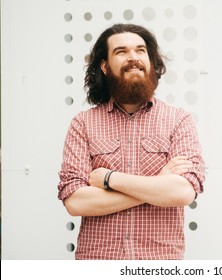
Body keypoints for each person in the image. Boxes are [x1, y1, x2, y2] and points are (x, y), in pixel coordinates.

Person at [57, 23, 205, 260]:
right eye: (121, 52)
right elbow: (76, 202)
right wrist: (158, 184)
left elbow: (183, 191)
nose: (133, 58)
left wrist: (109, 179)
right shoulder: (83, 124)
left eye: (140, 50)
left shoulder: (178, 120)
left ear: (151, 62)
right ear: (105, 66)